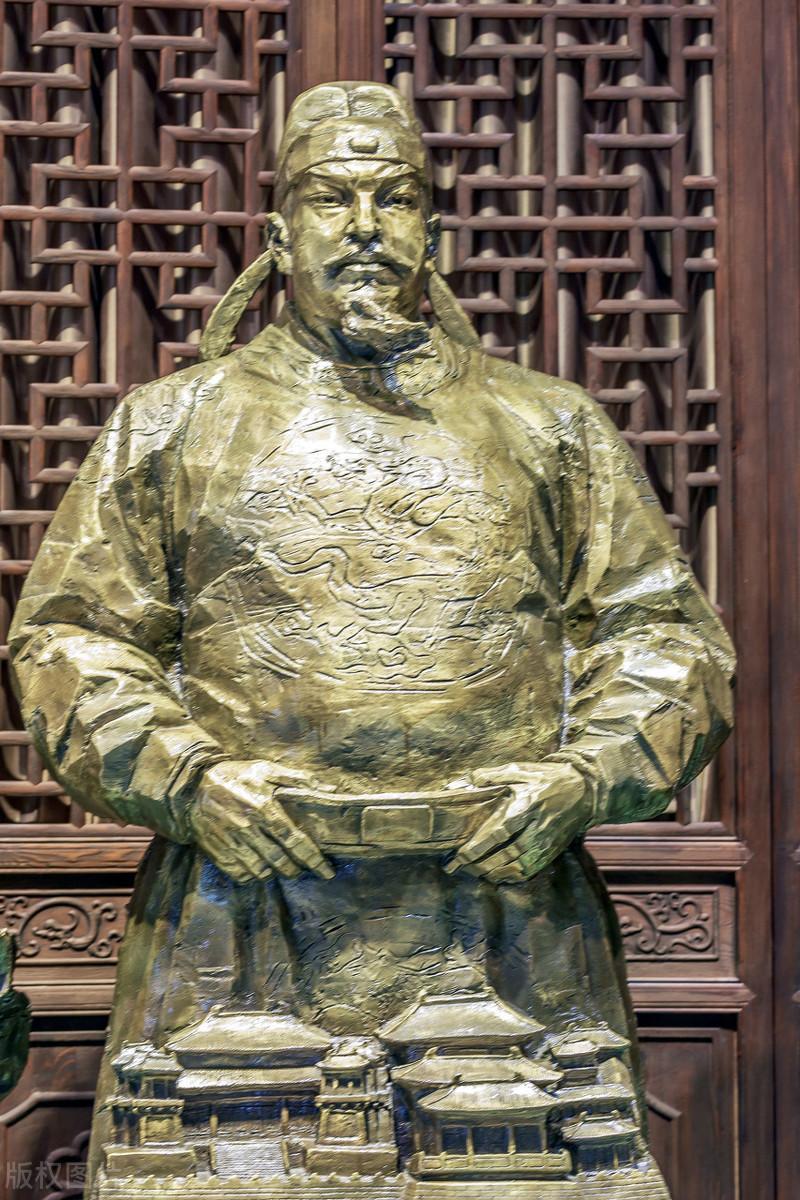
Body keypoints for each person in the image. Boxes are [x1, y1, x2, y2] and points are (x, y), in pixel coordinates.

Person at [8, 82, 734, 1196]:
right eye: (330, 198)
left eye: (392, 198)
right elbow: (70, 637)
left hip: (501, 900)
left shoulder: (549, 426)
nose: (362, 227)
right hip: (248, 901)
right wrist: (187, 778)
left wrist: (583, 777)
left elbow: (666, 639)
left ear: (430, 230)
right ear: (280, 231)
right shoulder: (172, 424)